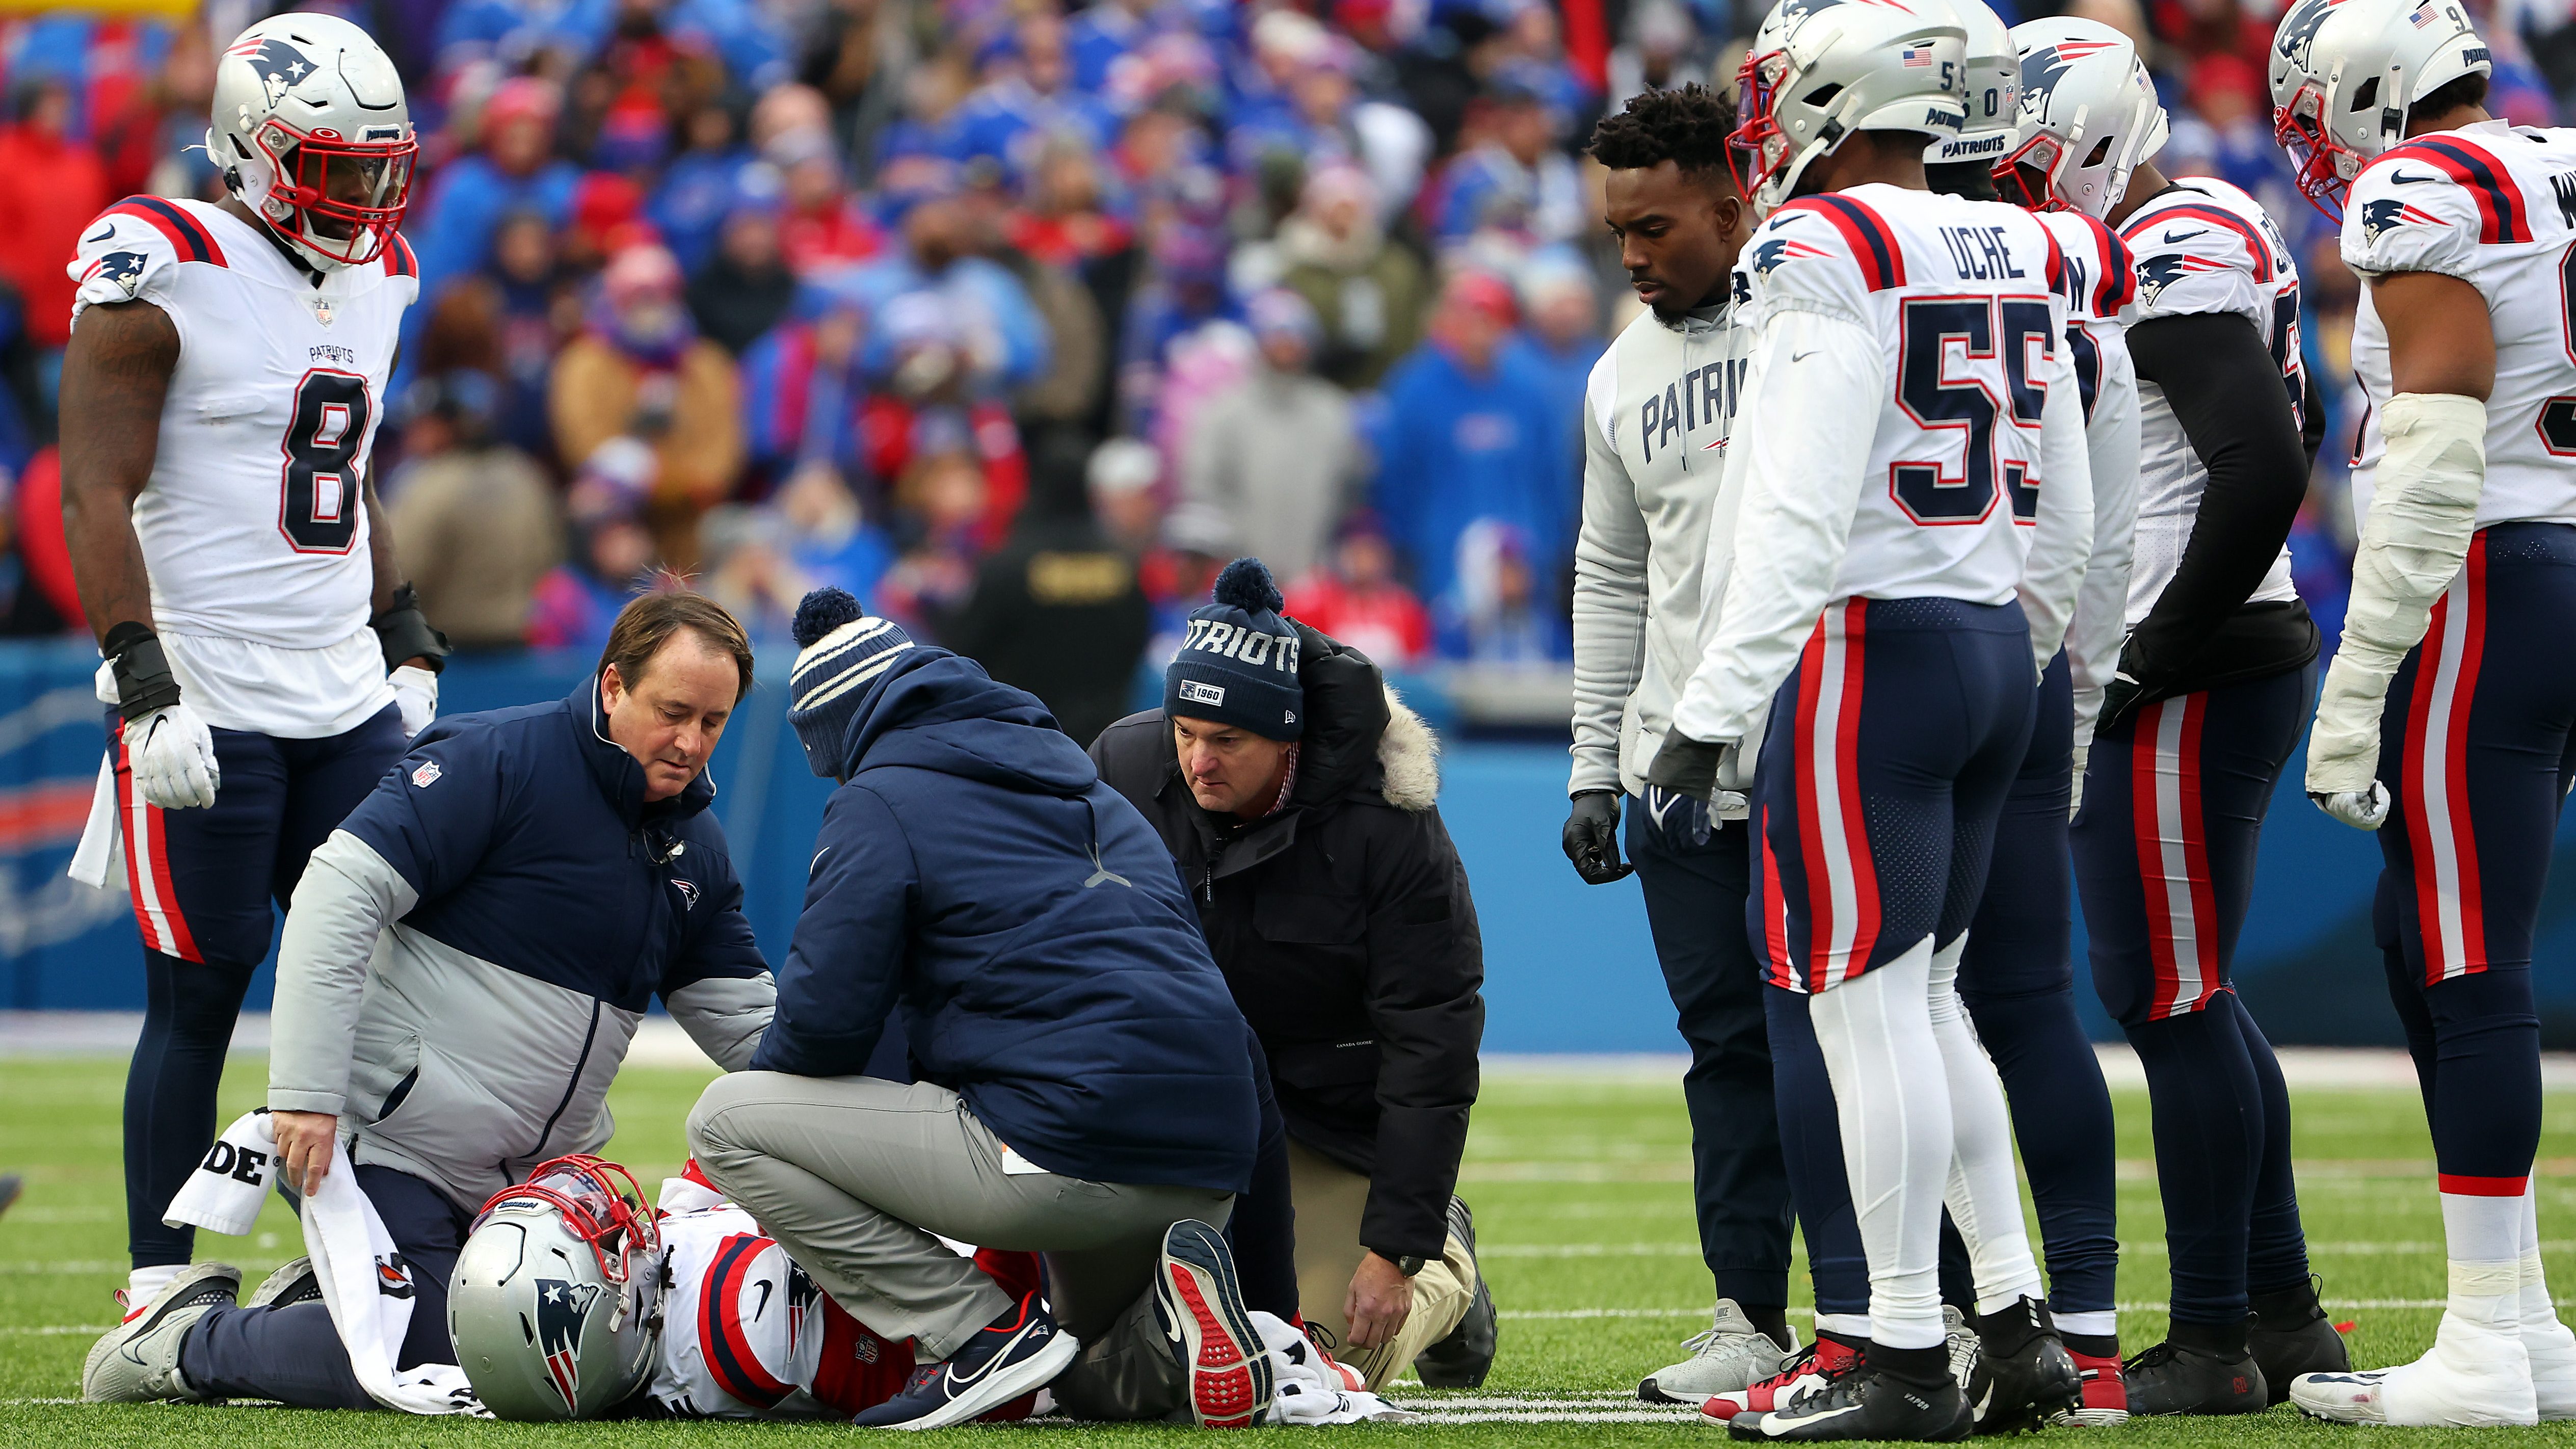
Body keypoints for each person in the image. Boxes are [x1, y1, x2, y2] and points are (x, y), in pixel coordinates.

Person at [1649, 0, 2097, 1435]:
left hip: (1866, 653)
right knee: (1924, 997)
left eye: (1780, 93)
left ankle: (1895, 1347)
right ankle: (2012, 1322)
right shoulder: (2027, 239)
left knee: (1859, 1008)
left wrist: (1706, 714)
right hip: (1983, 640)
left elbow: (1787, 514)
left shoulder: (1819, 246)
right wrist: (2025, 657)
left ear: (1846, 98)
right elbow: (2070, 516)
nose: (1761, 119)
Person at [81, 593, 779, 1408]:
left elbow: (754, 1031)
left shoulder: (697, 843)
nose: (692, 742)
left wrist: (885, 1085)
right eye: (674, 711)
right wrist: (304, 1097)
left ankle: (321, 1301)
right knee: (478, 1355)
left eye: (714, 721)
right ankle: (182, 1342)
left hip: (535, 1185)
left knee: (598, 1356)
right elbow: (336, 893)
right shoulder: (500, 757)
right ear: (614, 684)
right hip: (391, 1148)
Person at [55, 13, 445, 1328]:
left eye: (382, 164)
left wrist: (404, 628)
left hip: (344, 689)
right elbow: (92, 490)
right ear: (253, 152)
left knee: (390, 975)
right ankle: (163, 1287)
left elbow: (352, 462)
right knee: (205, 983)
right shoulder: (161, 259)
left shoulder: (382, 269)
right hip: (208, 685)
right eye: (338, 165)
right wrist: (140, 673)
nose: (370, 194)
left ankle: (359, 1251)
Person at [684, 587, 1273, 1430]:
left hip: (1063, 1152)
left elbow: (822, 1025)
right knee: (1087, 1375)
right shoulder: (1087, 783)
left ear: (841, 731)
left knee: (730, 1120)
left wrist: (820, 1128)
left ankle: (972, 1332)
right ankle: (1173, 1320)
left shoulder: (882, 797)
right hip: (1210, 1161)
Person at [2270, 0, 2576, 1424]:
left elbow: (2439, 465)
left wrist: (2354, 681)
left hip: (2487, 579)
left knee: (2463, 957)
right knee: (2424, 939)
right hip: (2551, 564)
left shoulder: (2421, 187)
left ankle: (2474, 1347)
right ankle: (2517, 1318)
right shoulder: (2554, 162)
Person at [1090, 558, 1494, 1392]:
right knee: (1099, 1347)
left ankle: (1444, 1259)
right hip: (1173, 1111)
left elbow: (1434, 1032)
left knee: (1313, 1361)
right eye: (1185, 733)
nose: (1198, 760)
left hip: (1328, 1125)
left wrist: (1395, 1244)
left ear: (1290, 739)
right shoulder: (1123, 770)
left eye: (1228, 740)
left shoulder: (1388, 823)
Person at [1558, 82, 1792, 1407]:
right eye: (1615, 235)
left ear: (1729, 197)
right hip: (1672, 774)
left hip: (1814, 744)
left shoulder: (1808, 321)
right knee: (1724, 1049)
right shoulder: (1614, 375)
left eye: (1652, 227)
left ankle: (1903, 1303)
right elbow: (1609, 577)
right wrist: (1595, 764)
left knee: (1847, 1034)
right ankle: (1746, 1314)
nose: (1633, 255)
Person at [1178, 288, 1362, 583]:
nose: (1285, 347)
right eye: (1276, 337)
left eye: (1294, 337)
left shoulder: (1333, 413)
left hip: (1314, 578)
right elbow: (1203, 488)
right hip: (1241, 577)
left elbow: (1349, 491)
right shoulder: (1224, 413)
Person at [387, 370, 562, 651]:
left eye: (421, 425)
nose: (411, 436)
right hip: (515, 643)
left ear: (447, 427)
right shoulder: (524, 474)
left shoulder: (430, 483)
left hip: (445, 651)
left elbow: (400, 573)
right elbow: (548, 556)